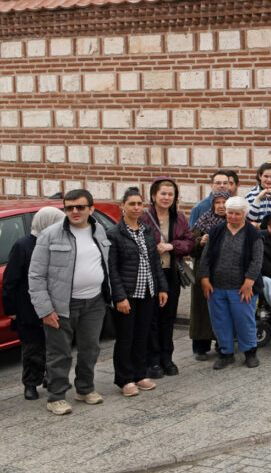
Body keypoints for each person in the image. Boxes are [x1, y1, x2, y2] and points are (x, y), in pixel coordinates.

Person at [28, 189, 113, 415]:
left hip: (94, 302)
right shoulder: (50, 235)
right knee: (59, 353)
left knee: (90, 349)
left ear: (91, 209)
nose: (75, 211)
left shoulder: (99, 231)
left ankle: (85, 388)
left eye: (80, 207)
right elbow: (36, 275)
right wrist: (45, 309)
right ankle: (56, 397)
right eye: (69, 208)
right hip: (61, 305)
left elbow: (106, 264)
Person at [107, 187, 169, 397]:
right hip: (127, 294)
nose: (136, 207)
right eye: (131, 204)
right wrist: (120, 297)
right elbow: (112, 268)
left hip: (147, 292)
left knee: (142, 335)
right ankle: (125, 379)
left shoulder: (147, 231)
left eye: (139, 204)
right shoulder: (114, 233)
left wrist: (162, 287)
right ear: (122, 206)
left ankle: (140, 374)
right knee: (126, 337)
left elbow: (155, 262)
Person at [2, 206, 65, 401]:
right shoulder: (23, 246)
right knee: (33, 348)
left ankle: (50, 377)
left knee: (54, 347)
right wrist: (11, 309)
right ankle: (30, 384)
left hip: (55, 305)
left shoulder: (59, 244)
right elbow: (10, 280)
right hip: (28, 308)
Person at [141, 177, 196, 379]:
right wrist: (152, 249)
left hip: (171, 273)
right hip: (150, 275)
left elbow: (190, 242)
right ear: (154, 195)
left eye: (170, 194)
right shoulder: (144, 217)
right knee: (152, 318)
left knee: (168, 318)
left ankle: (167, 358)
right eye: (163, 193)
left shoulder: (179, 217)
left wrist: (172, 246)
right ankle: (153, 360)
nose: (166, 197)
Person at [200, 196, 263, 370]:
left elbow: (257, 260)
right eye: (230, 213)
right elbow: (206, 257)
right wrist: (204, 279)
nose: (233, 217)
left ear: (245, 214)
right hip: (216, 287)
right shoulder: (216, 231)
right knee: (220, 322)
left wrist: (249, 282)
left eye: (237, 214)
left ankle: (250, 352)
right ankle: (226, 353)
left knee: (244, 321)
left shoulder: (253, 234)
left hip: (242, 288)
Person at [189, 190, 230, 360]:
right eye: (217, 203)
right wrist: (200, 242)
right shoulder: (203, 222)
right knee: (202, 310)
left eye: (224, 202)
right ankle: (200, 347)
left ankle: (223, 344)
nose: (221, 206)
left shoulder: (234, 222)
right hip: (203, 272)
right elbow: (190, 246)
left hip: (225, 273)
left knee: (223, 310)